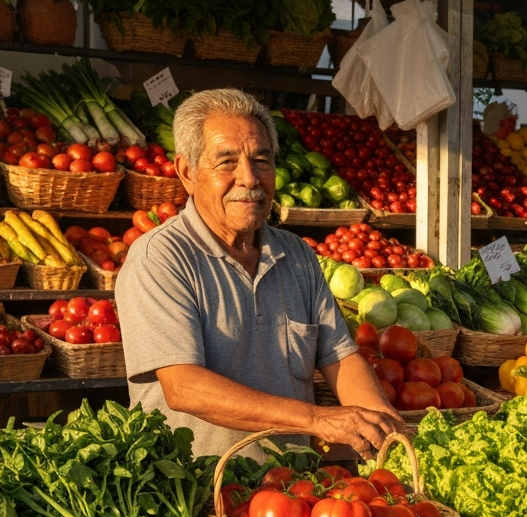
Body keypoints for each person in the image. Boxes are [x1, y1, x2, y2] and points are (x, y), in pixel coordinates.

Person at [116, 88, 403, 461]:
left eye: (262, 160)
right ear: (187, 172)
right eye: (227, 162)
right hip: (194, 492)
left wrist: (383, 426)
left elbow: (340, 358)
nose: (249, 178)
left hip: (291, 492)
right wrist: (316, 419)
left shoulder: (297, 255)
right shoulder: (160, 259)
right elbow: (184, 387)